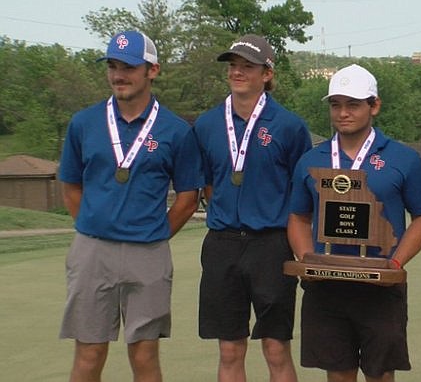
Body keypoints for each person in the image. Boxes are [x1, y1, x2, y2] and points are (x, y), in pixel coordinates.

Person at [58, 30, 203, 381]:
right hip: (92, 251)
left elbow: (187, 199)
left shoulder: (175, 130)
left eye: (129, 66)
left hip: (148, 253)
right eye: (112, 65)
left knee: (144, 355)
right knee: (89, 353)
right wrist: (95, 226)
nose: (118, 75)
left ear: (152, 70)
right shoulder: (84, 123)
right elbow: (70, 186)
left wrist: (152, 234)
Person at [287, 64, 421, 382]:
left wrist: (396, 262)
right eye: (336, 104)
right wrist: (307, 259)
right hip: (327, 285)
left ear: (374, 105)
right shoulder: (312, 159)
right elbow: (298, 216)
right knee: (337, 374)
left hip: (379, 287)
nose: (343, 113)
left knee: (380, 374)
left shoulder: (402, 158)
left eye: (353, 104)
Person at [193, 34, 312, 382]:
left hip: (272, 245)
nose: (238, 73)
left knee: (276, 348)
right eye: (233, 66)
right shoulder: (206, 124)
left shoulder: (289, 126)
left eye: (248, 66)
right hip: (222, 243)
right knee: (229, 349)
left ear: (267, 74)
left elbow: (300, 192)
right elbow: (210, 184)